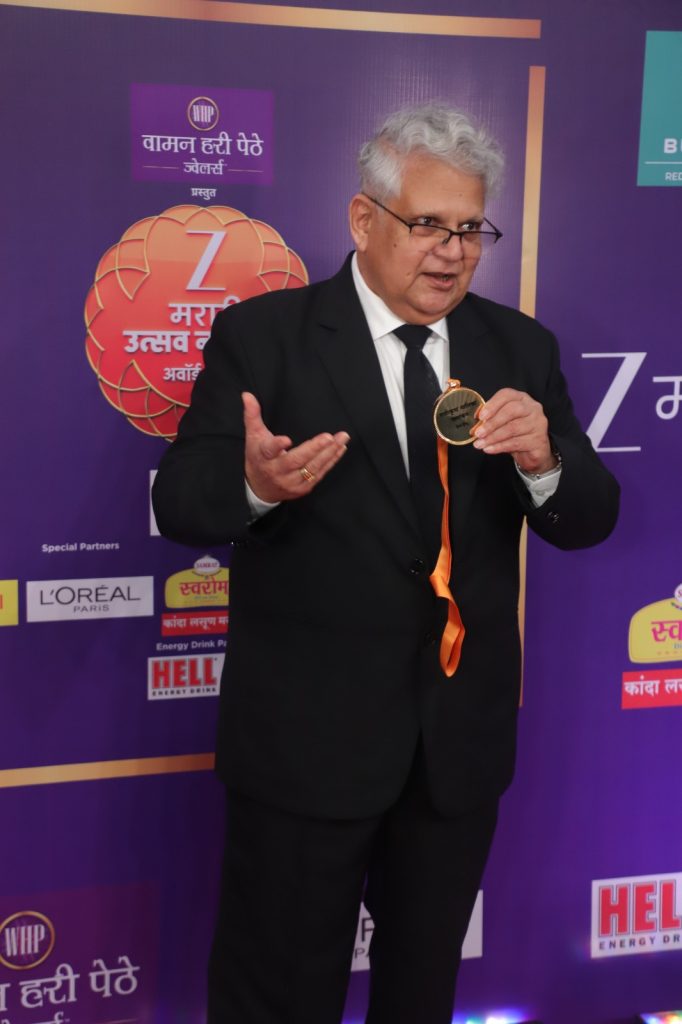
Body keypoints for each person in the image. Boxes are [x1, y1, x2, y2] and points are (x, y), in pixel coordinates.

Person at [152, 104, 619, 1024]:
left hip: (454, 751)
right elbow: (179, 502)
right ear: (363, 220)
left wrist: (544, 461)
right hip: (304, 749)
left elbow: (589, 519)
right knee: (276, 995)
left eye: (470, 229)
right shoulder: (265, 338)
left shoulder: (519, 348)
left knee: (422, 992)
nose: (451, 252)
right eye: (427, 224)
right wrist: (253, 485)